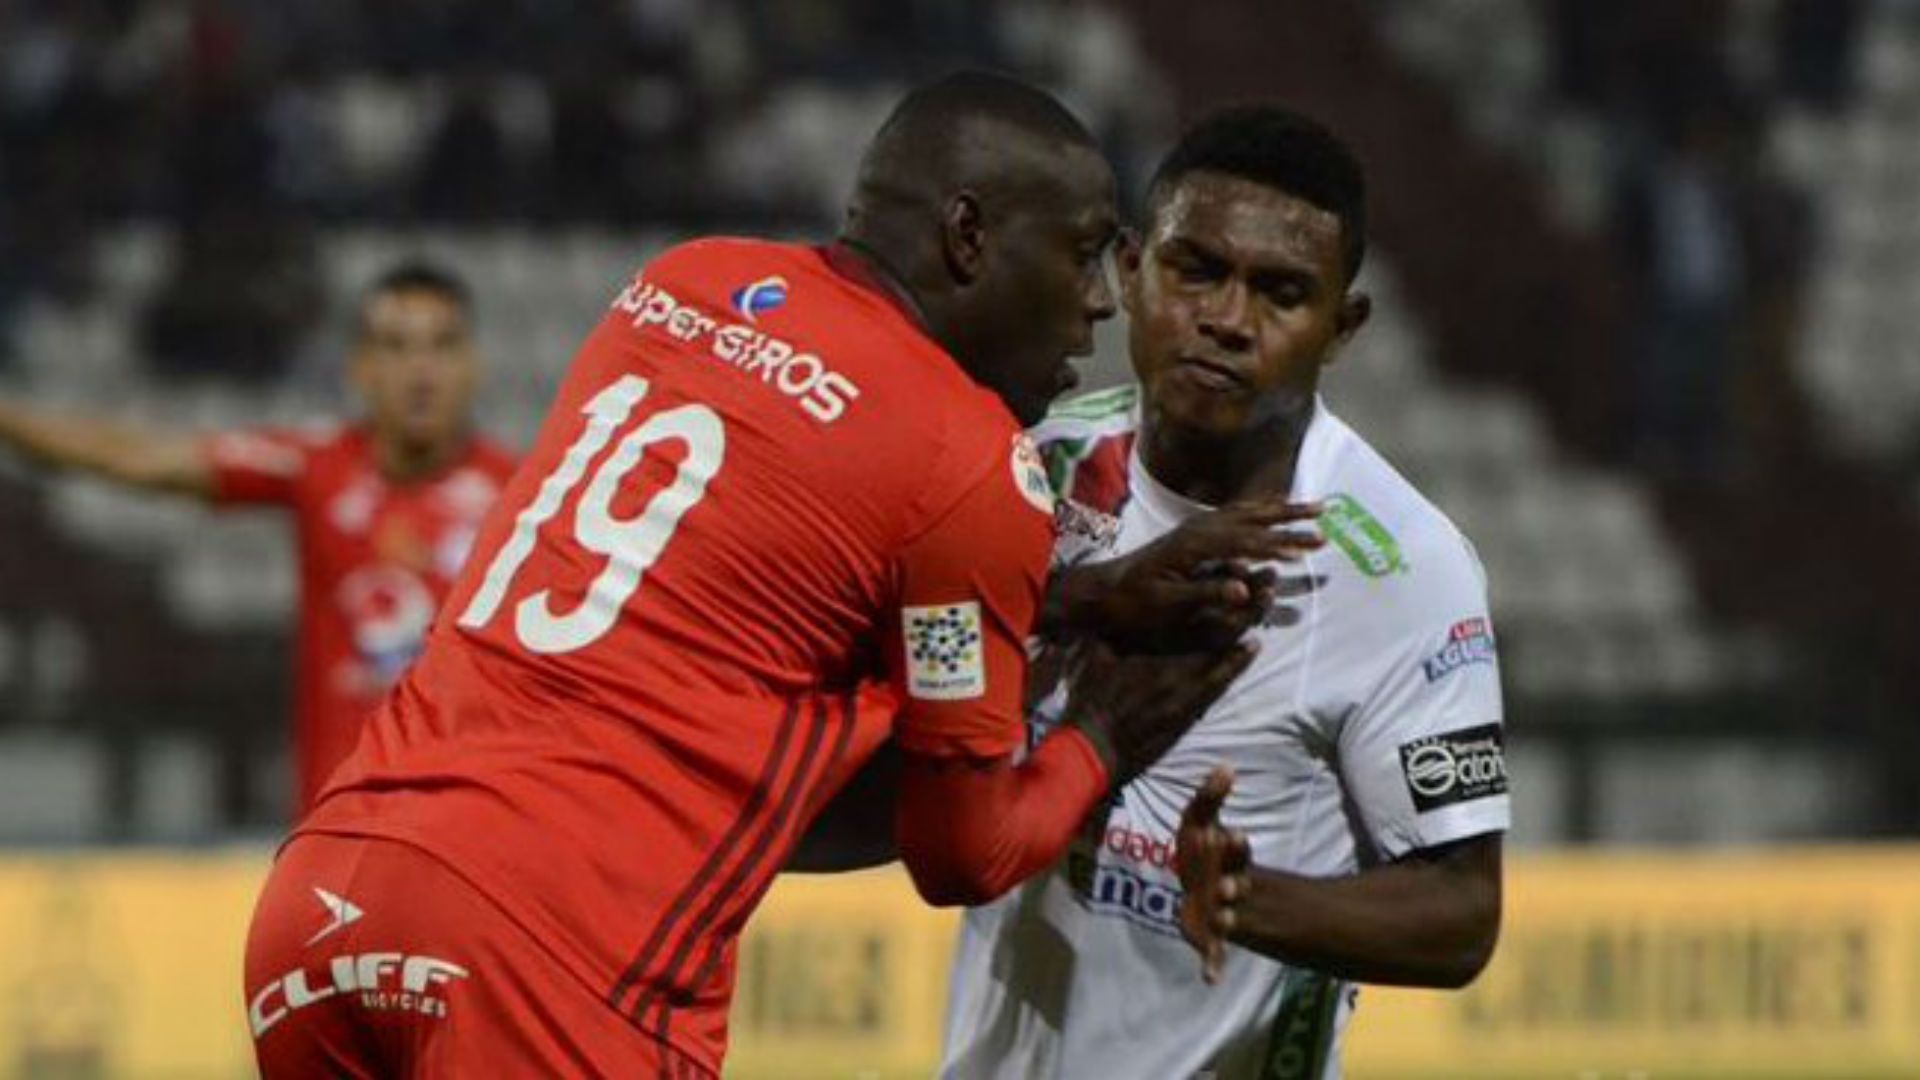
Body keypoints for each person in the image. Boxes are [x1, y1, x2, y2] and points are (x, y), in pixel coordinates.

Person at [241, 72, 1283, 1078]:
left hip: (327, 894)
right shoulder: (970, 460)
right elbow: (960, 851)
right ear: (970, 237)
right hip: (548, 949)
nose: (1100, 305)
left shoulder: (685, 283)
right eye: (1083, 256)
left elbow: (761, 559)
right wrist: (1101, 736)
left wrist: (1075, 595)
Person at [941, 105, 1508, 1080]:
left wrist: (1249, 899)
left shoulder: (1400, 567)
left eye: (1281, 293)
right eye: (1195, 269)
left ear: (1343, 326)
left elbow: (1461, 914)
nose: (1228, 321)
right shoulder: (1035, 470)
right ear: (1130, 268)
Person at [0, 262, 515, 816]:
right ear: (361, 369)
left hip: (462, 831)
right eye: (396, 346)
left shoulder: (522, 498)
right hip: (338, 827)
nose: (421, 371)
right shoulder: (318, 465)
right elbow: (138, 456)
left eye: (443, 345)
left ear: (473, 367)